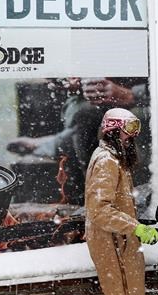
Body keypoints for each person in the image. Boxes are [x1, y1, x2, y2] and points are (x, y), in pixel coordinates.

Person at [45, 108, 158, 295]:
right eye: (128, 131)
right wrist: (135, 228)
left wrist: (137, 225)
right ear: (113, 130)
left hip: (118, 243)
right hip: (114, 245)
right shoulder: (107, 160)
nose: (132, 138)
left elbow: (112, 205)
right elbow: (100, 210)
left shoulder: (113, 159)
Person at [8, 77, 149, 207]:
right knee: (85, 115)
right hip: (105, 107)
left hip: (151, 105)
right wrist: (80, 82)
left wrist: (133, 94)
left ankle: (53, 144)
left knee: (96, 124)